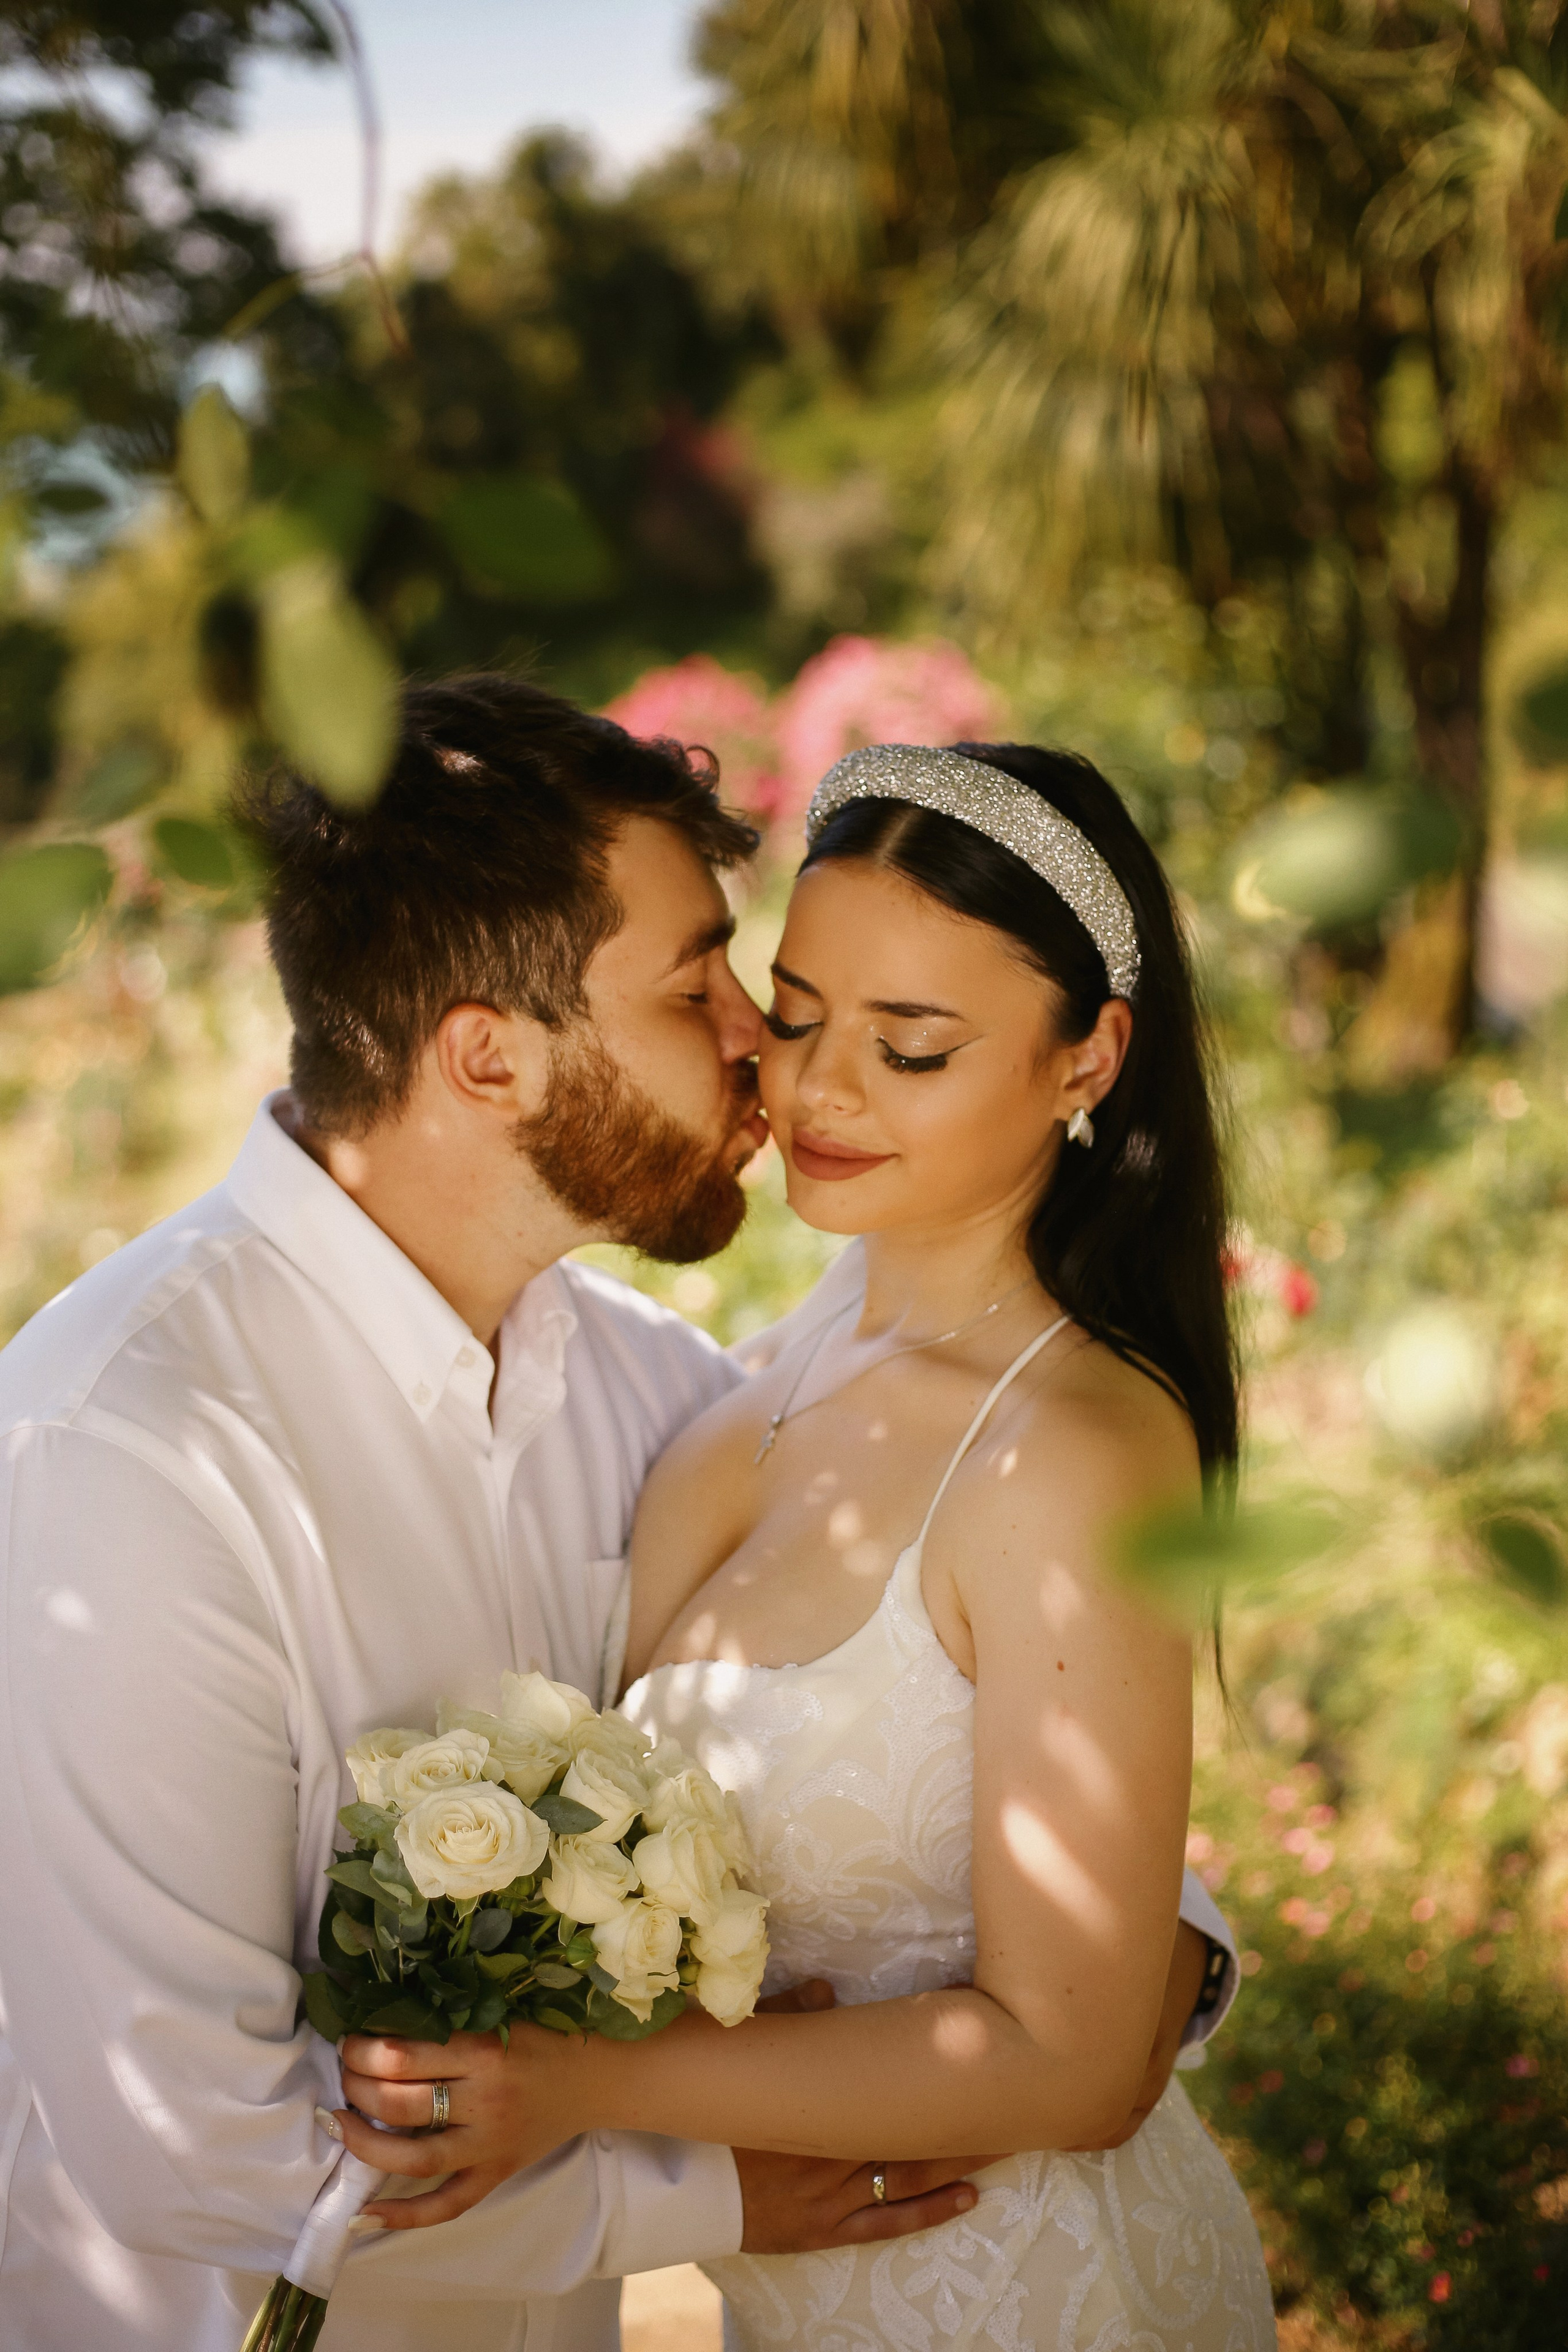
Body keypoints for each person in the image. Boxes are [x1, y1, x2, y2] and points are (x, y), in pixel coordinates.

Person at [0, 684, 1232, 2352]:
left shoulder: (653, 1388)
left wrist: (1157, 1961)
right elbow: (186, 2144)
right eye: (715, 986)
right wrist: (704, 2179)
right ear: (487, 1055)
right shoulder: (127, 1457)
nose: (763, 1048)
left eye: (892, 1033)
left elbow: (1003, 1772)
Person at [337, 739, 1275, 2351]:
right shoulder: (772, 1361)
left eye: (910, 1048)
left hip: (1038, 2298)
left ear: (1088, 1060)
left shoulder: (1073, 1446)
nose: (819, 1090)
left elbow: (1069, 2057)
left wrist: (580, 2084)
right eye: (798, 1012)